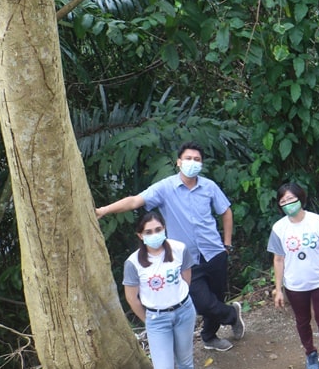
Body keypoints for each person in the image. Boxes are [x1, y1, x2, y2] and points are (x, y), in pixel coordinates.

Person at [97, 142, 244, 352]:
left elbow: (226, 211)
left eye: (197, 159)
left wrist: (227, 244)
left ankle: (210, 337)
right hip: (186, 259)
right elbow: (134, 201)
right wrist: (103, 210)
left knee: (216, 297)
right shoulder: (165, 188)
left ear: (201, 164)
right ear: (178, 162)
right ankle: (232, 315)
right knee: (202, 302)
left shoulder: (209, 186)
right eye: (188, 159)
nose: (192, 163)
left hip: (214, 252)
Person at [123, 211, 202, 369]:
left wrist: (179, 300)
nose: (154, 235)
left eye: (158, 230)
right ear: (140, 235)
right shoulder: (133, 262)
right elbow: (131, 297)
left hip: (184, 312)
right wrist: (150, 320)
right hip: (157, 319)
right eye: (148, 232)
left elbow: (186, 277)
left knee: (186, 361)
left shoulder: (178, 249)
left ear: (164, 229)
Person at [269, 183, 319, 369]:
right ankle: (310, 353)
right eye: (283, 201)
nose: (288, 203)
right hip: (295, 284)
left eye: (291, 199)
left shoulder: (317, 221)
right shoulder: (279, 228)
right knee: (302, 321)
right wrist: (278, 289)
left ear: (301, 199)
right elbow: (278, 260)